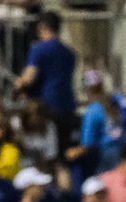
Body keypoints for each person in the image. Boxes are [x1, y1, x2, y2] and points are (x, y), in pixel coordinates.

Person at [14, 12, 78, 149]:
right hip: (67, 106)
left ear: (43, 27)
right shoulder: (69, 52)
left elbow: (29, 78)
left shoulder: (38, 49)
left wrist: (18, 85)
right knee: (63, 151)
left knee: (45, 152)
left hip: (46, 108)